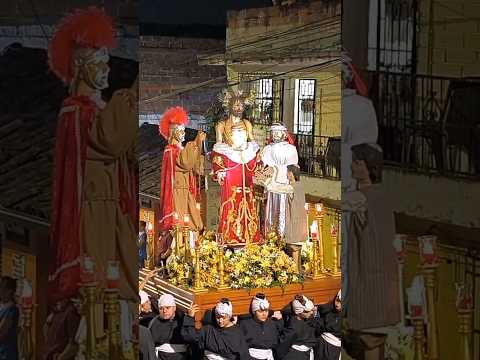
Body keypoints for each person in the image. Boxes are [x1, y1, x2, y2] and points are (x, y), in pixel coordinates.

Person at [47, 5, 138, 326]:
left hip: (111, 204)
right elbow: (109, 140)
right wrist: (128, 99)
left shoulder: (94, 108)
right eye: (100, 64)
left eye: (107, 64)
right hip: (91, 206)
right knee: (99, 277)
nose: (107, 71)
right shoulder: (76, 112)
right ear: (82, 69)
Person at [344, 143, 400, 331]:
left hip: (369, 272)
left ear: (368, 167)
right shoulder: (381, 194)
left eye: (357, 162)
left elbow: (344, 201)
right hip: (378, 271)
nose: (352, 166)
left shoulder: (364, 197)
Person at [212, 88, 261, 244]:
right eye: (236, 105)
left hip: (245, 163)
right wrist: (219, 170)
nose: (239, 108)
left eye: (241, 105)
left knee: (248, 197)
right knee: (232, 198)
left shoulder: (247, 124)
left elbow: (253, 143)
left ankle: (250, 234)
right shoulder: (222, 125)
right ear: (230, 106)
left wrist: (257, 162)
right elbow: (218, 149)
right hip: (231, 164)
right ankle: (230, 235)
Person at [157, 106, 206, 260]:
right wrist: (196, 142)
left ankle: (191, 253)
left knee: (193, 222)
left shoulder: (180, 149)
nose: (184, 133)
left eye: (184, 130)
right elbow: (186, 162)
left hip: (186, 192)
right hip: (177, 193)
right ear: (173, 132)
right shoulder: (171, 151)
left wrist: (200, 149)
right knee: (181, 224)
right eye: (181, 130)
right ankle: (178, 256)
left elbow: (196, 167)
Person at [260, 123, 298, 238]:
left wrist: (275, 169)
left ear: (284, 134)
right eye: (274, 132)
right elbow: (263, 167)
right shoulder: (267, 149)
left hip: (284, 186)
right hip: (270, 187)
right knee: (269, 213)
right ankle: (270, 237)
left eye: (278, 131)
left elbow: (293, 169)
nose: (276, 134)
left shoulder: (291, 149)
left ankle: (282, 237)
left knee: (283, 213)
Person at [183, 298, 250, 359]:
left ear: (229, 316)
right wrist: (189, 317)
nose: (220, 321)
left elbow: (244, 356)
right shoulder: (208, 330)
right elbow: (189, 336)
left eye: (223, 318)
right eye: (218, 317)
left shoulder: (237, 332)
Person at [239, 293, 284, 360]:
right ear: (254, 312)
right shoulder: (244, 324)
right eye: (260, 311)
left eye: (266, 311)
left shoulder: (272, 323)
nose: (264, 314)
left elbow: (279, 340)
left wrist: (280, 320)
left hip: (269, 357)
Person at [148, 294, 189, 359]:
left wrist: (190, 318)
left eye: (167, 308)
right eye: (161, 308)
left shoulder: (183, 320)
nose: (164, 311)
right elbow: (150, 344)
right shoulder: (154, 322)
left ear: (174, 308)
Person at [284, 164, 307, 273]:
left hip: (295, 220)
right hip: (297, 219)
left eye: (289, 172)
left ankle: (296, 272)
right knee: (295, 246)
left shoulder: (293, 187)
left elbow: (279, 189)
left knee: (294, 246)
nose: (287, 174)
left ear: (294, 174)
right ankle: (297, 269)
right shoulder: (298, 185)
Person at [281, 295, 318, 360]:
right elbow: (284, 343)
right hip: (295, 355)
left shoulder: (309, 319)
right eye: (306, 312)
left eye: (311, 310)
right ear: (298, 312)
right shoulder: (293, 327)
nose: (311, 313)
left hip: (306, 353)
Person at [313, 290, 342, 360]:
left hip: (331, 348)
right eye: (337, 300)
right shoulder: (332, 309)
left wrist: (315, 315)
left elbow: (328, 325)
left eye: (341, 302)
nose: (337, 304)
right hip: (321, 343)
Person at [0, 276, 19, 360]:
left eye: (1, 288)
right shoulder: (1, 307)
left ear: (9, 291)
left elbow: (1, 331)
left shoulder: (12, 309)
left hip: (6, 354)